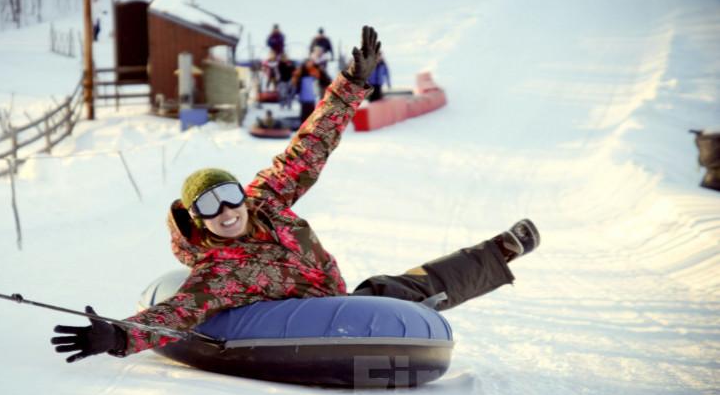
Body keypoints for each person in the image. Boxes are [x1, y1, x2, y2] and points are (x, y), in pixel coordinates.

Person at [51, 26, 540, 363]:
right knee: (392, 296)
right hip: (309, 319)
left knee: (400, 288)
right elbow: (177, 312)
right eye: (207, 207)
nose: (224, 212)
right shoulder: (220, 270)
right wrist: (117, 336)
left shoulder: (266, 200)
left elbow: (310, 145)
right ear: (198, 221)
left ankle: (497, 252)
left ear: (242, 194)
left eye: (227, 196)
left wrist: (351, 84)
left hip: (333, 293)